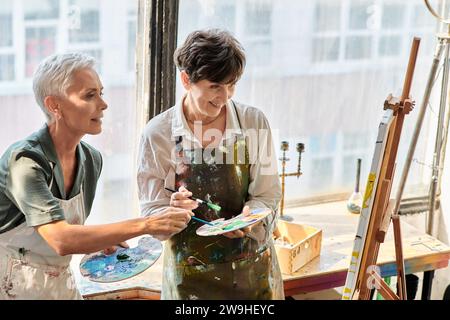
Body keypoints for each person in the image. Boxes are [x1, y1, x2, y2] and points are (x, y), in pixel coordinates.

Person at [0, 53, 193, 300]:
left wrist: (99, 241)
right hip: (9, 286)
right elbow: (60, 238)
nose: (103, 104)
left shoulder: (91, 159)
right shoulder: (24, 161)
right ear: (54, 105)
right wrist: (148, 224)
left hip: (59, 288)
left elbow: (68, 230)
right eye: (89, 95)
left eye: (101, 93)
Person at [137, 29, 284, 300]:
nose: (224, 96)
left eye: (232, 84)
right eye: (215, 86)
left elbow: (268, 194)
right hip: (189, 280)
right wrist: (171, 212)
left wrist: (252, 217)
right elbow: (151, 213)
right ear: (186, 80)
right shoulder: (158, 134)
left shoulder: (253, 122)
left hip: (252, 272)